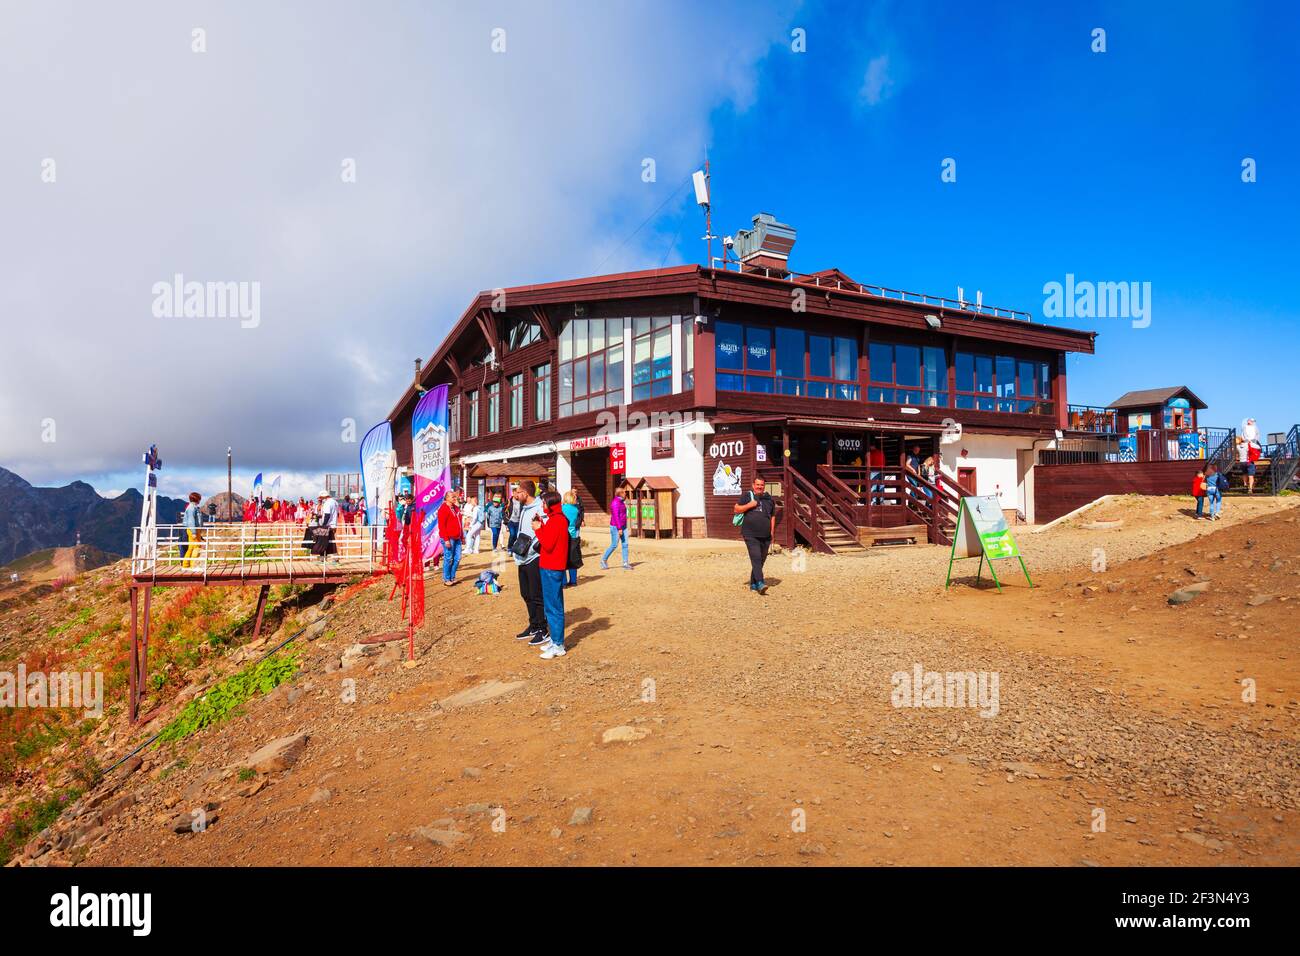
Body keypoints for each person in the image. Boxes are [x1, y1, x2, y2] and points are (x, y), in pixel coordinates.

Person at [532, 489, 570, 659]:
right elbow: (551, 538)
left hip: (551, 567)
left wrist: (537, 529)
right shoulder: (556, 519)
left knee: (553, 607)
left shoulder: (557, 520)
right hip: (551, 566)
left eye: (544, 503)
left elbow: (547, 544)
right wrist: (542, 525)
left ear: (550, 504)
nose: (542, 505)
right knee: (552, 605)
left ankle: (558, 644)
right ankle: (555, 639)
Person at [511, 481, 548, 645]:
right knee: (525, 593)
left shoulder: (540, 508)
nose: (515, 495)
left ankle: (542, 628)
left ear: (525, 493)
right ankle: (533, 625)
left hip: (534, 557)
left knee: (536, 594)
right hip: (522, 557)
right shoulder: (523, 508)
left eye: (518, 492)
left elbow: (542, 529)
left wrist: (532, 548)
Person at [734, 476, 777, 594]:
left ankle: (753, 583)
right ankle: (760, 583)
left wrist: (772, 532)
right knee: (756, 558)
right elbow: (736, 509)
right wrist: (750, 505)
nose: (759, 487)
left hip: (766, 534)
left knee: (761, 559)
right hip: (750, 533)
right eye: (757, 485)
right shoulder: (747, 496)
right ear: (753, 485)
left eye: (762, 485)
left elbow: (772, 516)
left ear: (764, 486)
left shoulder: (769, 499)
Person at [601, 482, 631, 570]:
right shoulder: (615, 503)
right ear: (620, 493)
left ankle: (625, 563)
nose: (626, 494)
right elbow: (616, 517)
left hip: (623, 526)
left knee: (625, 544)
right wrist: (619, 528)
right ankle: (604, 559)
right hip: (616, 527)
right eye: (625, 492)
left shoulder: (621, 502)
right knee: (614, 544)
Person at [437, 490, 464, 585]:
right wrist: (446, 539)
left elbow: (460, 523)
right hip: (448, 538)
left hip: (457, 537)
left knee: (457, 558)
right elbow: (441, 526)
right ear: (447, 498)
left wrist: (462, 536)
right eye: (453, 497)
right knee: (449, 558)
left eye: (455, 497)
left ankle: (452, 577)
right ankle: (446, 579)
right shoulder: (443, 509)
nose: (455, 498)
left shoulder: (456, 508)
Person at [561, 489, 582, 586]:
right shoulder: (576, 509)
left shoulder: (562, 508)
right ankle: (573, 581)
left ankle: (564, 582)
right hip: (573, 535)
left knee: (563, 559)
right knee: (572, 558)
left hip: (564, 535)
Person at [181, 492, 203, 567]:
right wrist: (194, 532)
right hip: (194, 529)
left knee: (191, 547)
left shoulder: (193, 507)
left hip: (195, 529)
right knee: (197, 547)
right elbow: (191, 520)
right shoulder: (192, 508)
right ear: (196, 499)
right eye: (199, 498)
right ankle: (193, 565)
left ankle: (186, 564)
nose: (200, 500)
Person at [315, 490, 339, 561]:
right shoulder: (335, 502)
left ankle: (323, 558)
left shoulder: (327, 503)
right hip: (333, 524)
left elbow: (327, 515)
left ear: (324, 496)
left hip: (328, 525)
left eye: (321, 497)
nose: (321, 499)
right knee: (331, 541)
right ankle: (334, 558)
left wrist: (323, 525)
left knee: (322, 542)